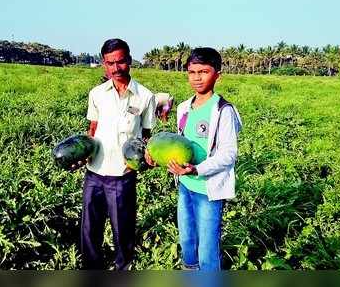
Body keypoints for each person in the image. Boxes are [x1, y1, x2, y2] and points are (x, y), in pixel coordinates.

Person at [80, 38, 156, 270]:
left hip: (123, 174)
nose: (116, 68)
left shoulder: (145, 96)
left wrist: (146, 157)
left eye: (121, 62)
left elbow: (146, 135)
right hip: (95, 171)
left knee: (122, 228)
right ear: (104, 64)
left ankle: (123, 268)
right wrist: (83, 154)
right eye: (110, 63)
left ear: (129, 61)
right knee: (89, 227)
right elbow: (91, 130)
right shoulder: (97, 93)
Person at [166, 47, 242, 270]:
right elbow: (178, 143)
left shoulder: (223, 110)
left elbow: (229, 153)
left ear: (217, 74)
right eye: (192, 72)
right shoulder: (183, 108)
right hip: (185, 186)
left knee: (207, 247)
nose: (197, 78)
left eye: (204, 71)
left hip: (208, 189)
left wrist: (196, 170)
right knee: (187, 239)